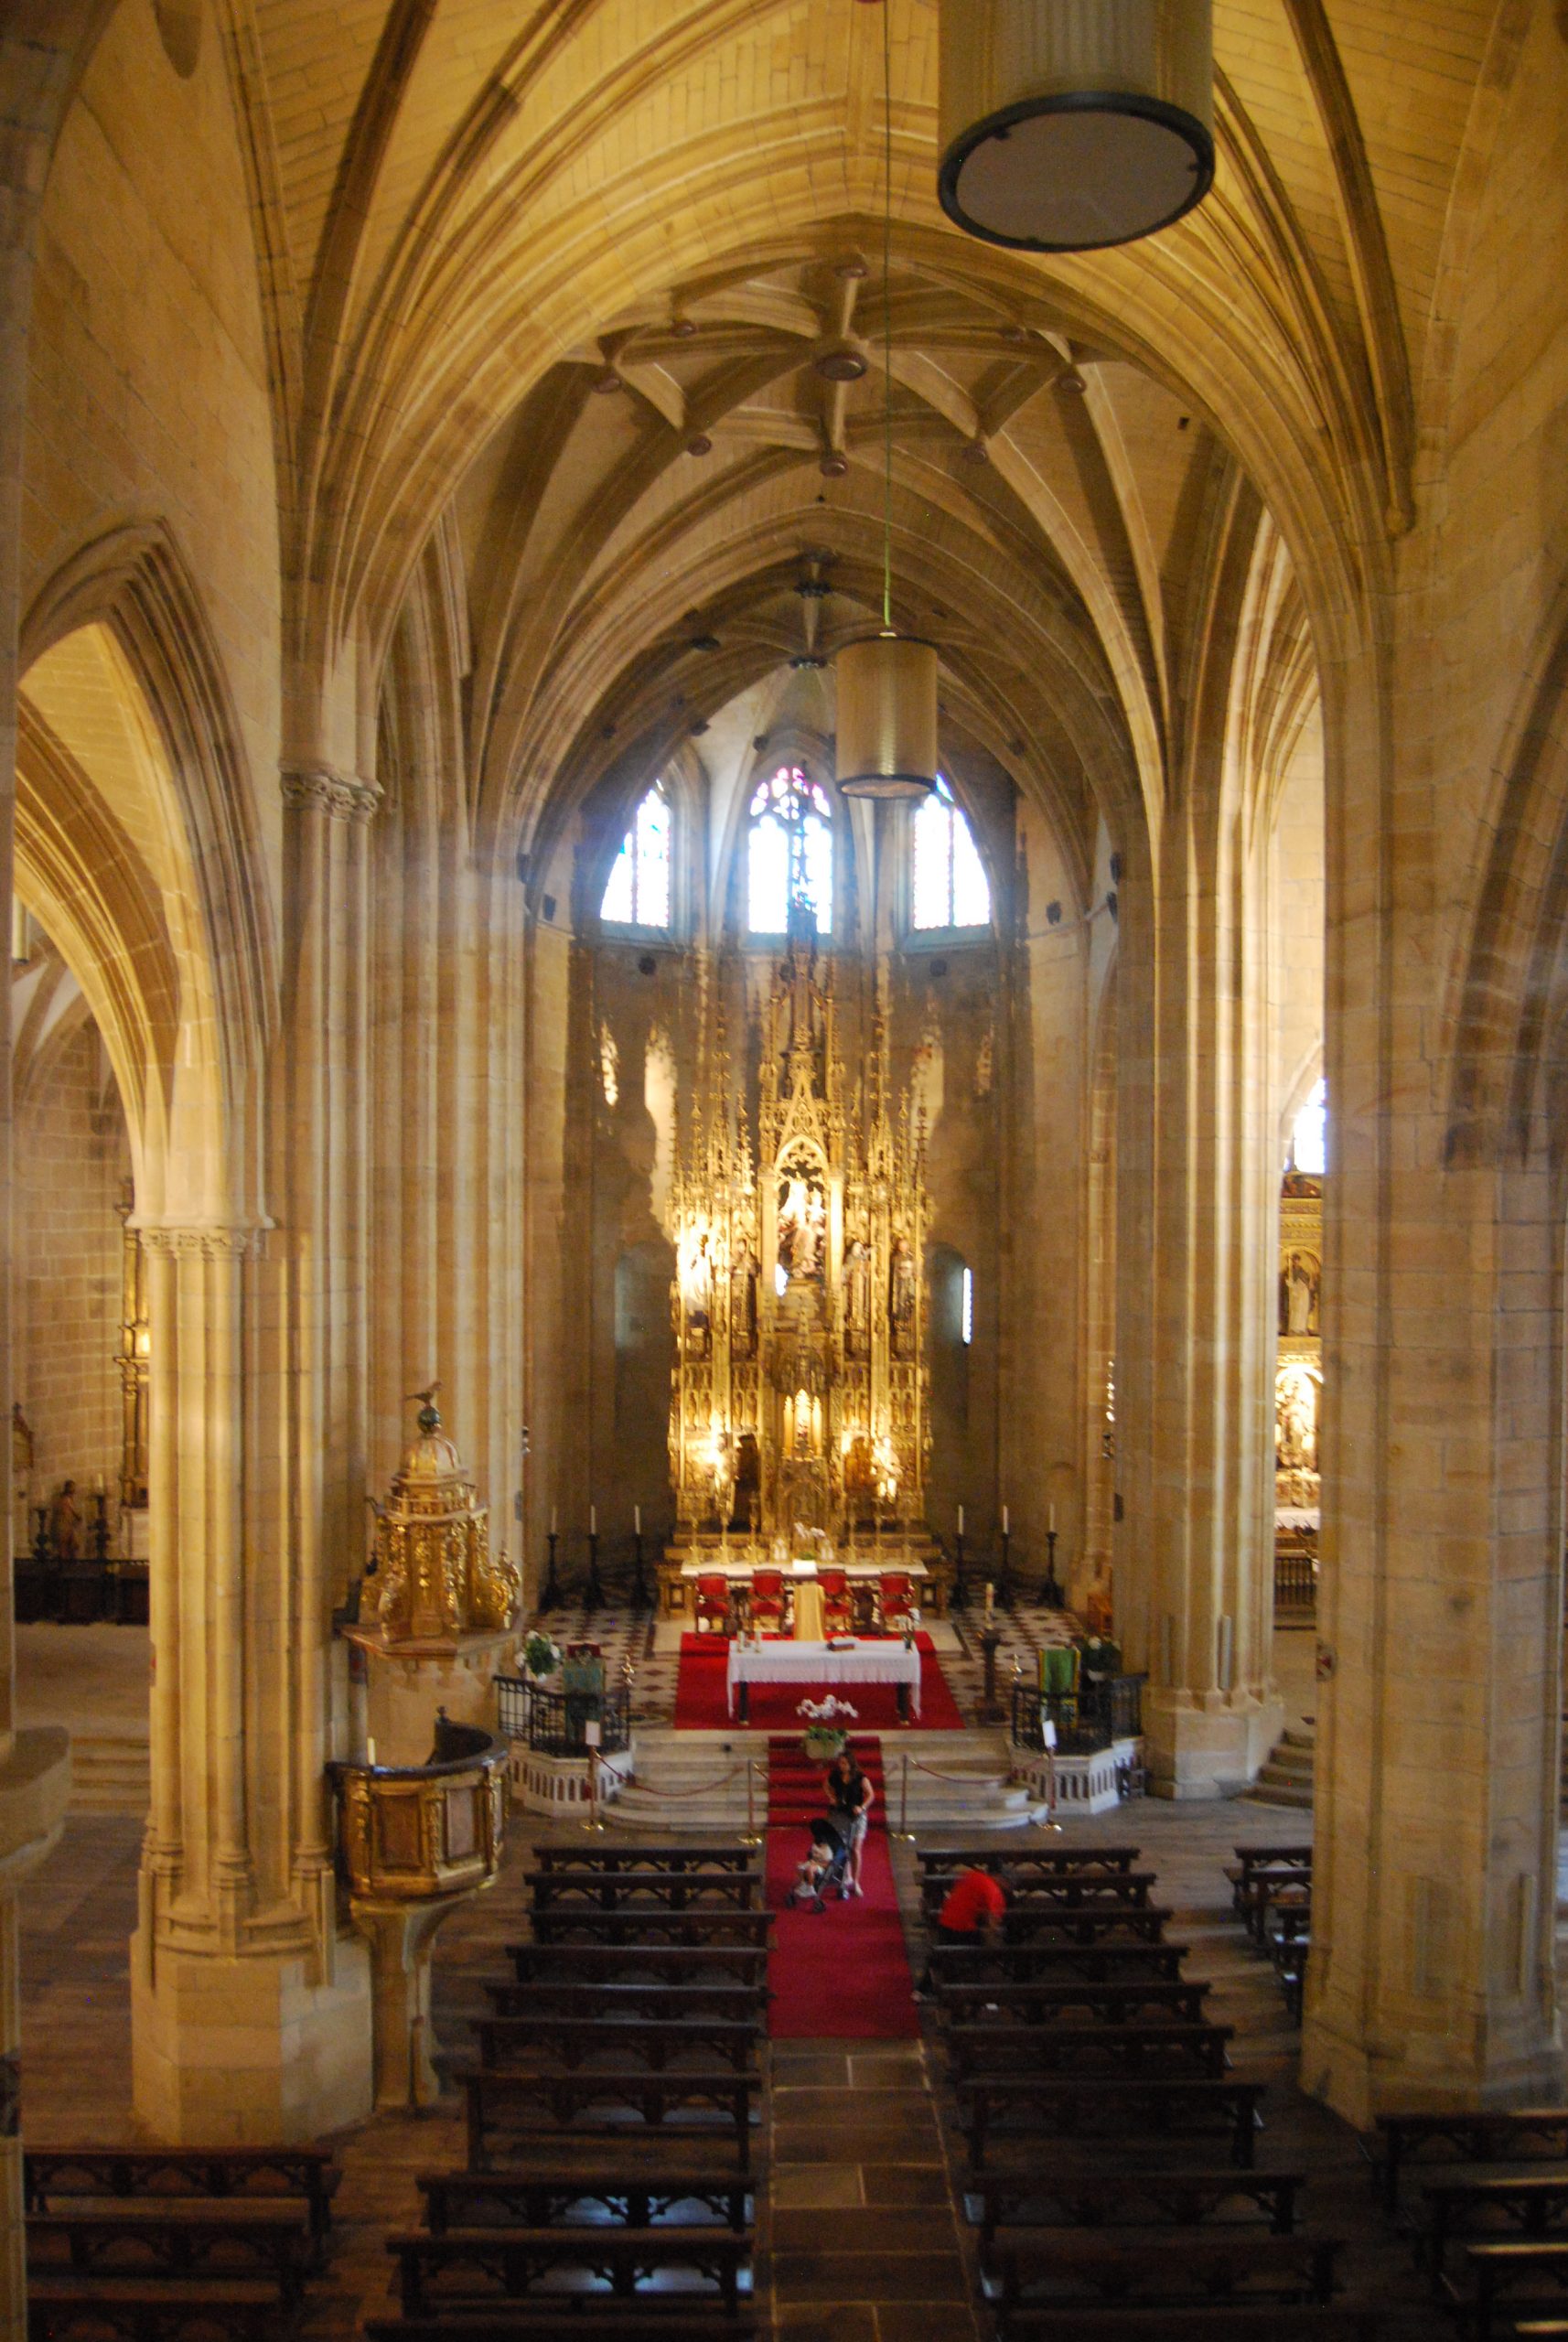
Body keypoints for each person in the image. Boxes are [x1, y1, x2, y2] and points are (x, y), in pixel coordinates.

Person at [916, 1864, 1007, 1998]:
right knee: (987, 1952)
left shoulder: (972, 1875)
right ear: (1000, 1878)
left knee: (942, 1952)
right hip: (963, 1928)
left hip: (945, 1920)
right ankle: (978, 1990)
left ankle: (922, 1989)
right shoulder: (994, 1890)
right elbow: (993, 1924)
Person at [825, 1746, 874, 1896]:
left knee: (855, 1849)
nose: (842, 1766)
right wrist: (832, 1797)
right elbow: (826, 1785)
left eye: (844, 1763)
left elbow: (871, 1795)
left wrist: (862, 1807)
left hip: (857, 1816)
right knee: (843, 1846)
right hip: (841, 1814)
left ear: (851, 1764)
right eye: (840, 1763)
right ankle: (847, 1877)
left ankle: (856, 1881)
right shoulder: (836, 1775)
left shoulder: (860, 1777)